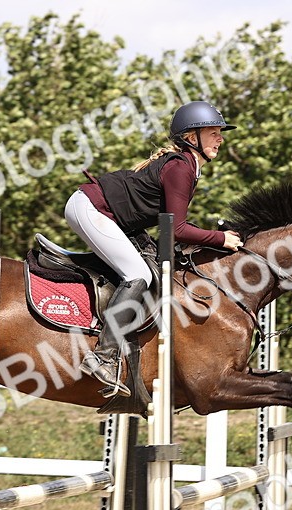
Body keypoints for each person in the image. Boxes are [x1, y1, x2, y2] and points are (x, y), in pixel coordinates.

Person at [65, 100, 244, 398]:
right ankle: (103, 355)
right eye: (214, 131)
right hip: (91, 208)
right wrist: (220, 239)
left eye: (219, 132)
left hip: (112, 216)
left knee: (149, 265)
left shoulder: (187, 166)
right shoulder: (181, 168)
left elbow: (170, 231)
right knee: (138, 275)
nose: (221, 138)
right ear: (191, 138)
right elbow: (176, 230)